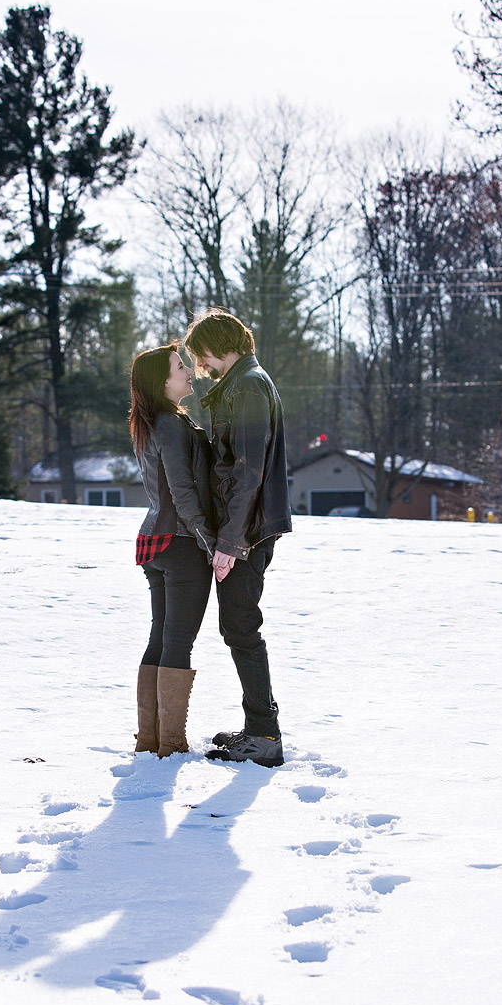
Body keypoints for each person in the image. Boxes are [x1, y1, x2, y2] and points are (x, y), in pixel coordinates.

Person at [183, 308, 291, 768]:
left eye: (200, 355)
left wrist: (231, 541)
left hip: (246, 528)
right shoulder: (242, 382)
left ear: (216, 345)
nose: (200, 367)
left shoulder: (247, 384)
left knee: (242, 627)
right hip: (244, 525)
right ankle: (257, 725)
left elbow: (248, 470)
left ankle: (265, 735)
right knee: (237, 626)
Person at [129, 342, 217, 758]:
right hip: (180, 543)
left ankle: (150, 740)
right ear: (161, 381)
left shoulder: (151, 423)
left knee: (161, 637)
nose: (187, 370)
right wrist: (208, 539)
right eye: (179, 366)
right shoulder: (170, 424)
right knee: (177, 639)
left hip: (155, 541)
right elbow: (182, 491)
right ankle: (170, 744)